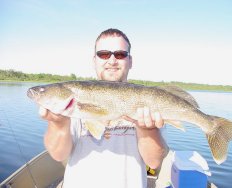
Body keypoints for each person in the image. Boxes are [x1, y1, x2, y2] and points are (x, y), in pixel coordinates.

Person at [39, 28, 167, 188]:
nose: (112, 60)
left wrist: (148, 130)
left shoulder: (148, 100)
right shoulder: (71, 103)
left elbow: (153, 162)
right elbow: (58, 154)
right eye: (104, 54)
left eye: (120, 54)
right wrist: (58, 124)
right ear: (94, 60)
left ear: (130, 61)